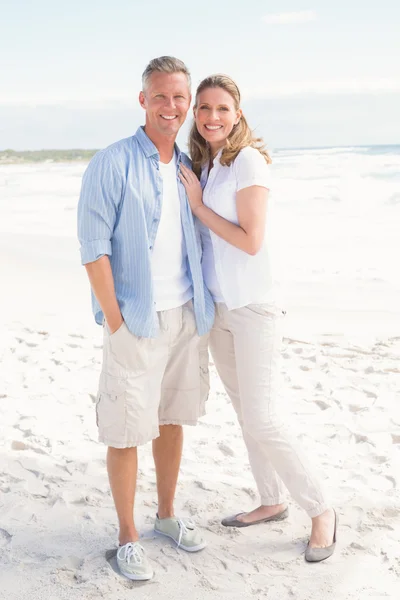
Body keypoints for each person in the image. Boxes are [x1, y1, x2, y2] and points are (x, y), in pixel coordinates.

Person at [179, 74, 338, 563]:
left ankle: (322, 510)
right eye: (204, 108)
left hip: (253, 308)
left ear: (238, 113)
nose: (211, 117)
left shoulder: (248, 161)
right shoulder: (210, 164)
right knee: (246, 413)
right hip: (219, 307)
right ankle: (271, 500)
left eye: (222, 108)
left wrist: (199, 207)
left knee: (265, 418)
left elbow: (250, 239)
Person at [77, 57, 214, 581]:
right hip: (134, 320)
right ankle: (127, 536)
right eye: (161, 96)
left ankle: (166, 518)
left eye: (180, 97)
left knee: (171, 420)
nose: (172, 106)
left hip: (184, 314)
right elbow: (93, 250)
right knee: (126, 430)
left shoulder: (187, 165)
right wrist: (116, 321)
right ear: (142, 100)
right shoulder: (110, 163)